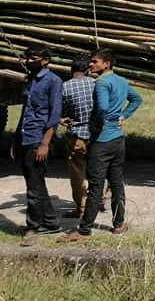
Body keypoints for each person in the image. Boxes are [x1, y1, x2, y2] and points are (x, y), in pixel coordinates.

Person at [59, 48, 142, 242]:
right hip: (118, 139)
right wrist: (123, 116)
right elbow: (136, 99)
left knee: (96, 185)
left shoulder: (102, 83)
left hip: (102, 140)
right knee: (116, 181)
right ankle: (118, 224)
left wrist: (98, 124)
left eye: (95, 62)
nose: (91, 64)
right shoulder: (121, 81)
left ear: (107, 64)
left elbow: (102, 108)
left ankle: (84, 230)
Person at [11, 45, 63, 245]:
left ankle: (32, 227)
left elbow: (54, 115)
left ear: (45, 60)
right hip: (25, 136)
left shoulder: (53, 81)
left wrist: (45, 143)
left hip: (38, 140)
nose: (28, 61)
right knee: (36, 182)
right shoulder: (31, 81)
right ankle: (50, 222)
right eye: (27, 57)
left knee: (33, 186)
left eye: (33, 57)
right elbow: (25, 113)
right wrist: (15, 140)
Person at [60, 55, 103, 218]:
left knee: (77, 173)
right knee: (98, 169)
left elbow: (62, 111)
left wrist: (63, 119)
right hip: (98, 134)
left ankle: (82, 208)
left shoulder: (66, 86)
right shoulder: (97, 84)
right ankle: (99, 200)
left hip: (77, 135)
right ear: (87, 70)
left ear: (72, 70)